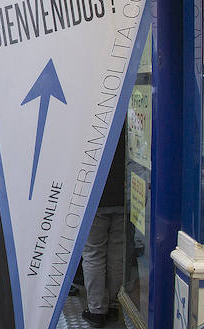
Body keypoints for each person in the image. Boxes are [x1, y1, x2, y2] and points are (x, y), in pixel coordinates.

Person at [81, 133, 127, 327]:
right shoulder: (126, 119)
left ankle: (97, 309)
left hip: (95, 197)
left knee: (93, 252)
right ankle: (116, 304)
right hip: (124, 195)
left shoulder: (93, 120)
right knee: (118, 253)